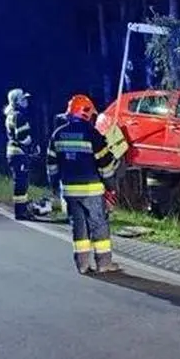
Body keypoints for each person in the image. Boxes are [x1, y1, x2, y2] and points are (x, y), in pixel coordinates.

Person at [45, 94, 122, 274]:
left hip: (69, 191)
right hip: (91, 190)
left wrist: (55, 186)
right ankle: (104, 264)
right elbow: (105, 166)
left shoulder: (58, 134)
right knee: (99, 225)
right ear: (86, 112)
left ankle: (82, 264)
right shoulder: (92, 134)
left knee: (78, 227)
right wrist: (111, 186)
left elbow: (51, 165)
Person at [3, 88, 37, 220]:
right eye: (23, 99)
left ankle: (21, 210)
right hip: (19, 153)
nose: (26, 101)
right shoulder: (18, 116)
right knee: (21, 183)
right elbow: (22, 137)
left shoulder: (12, 115)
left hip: (14, 153)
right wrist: (32, 144)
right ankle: (21, 212)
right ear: (17, 101)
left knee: (20, 182)